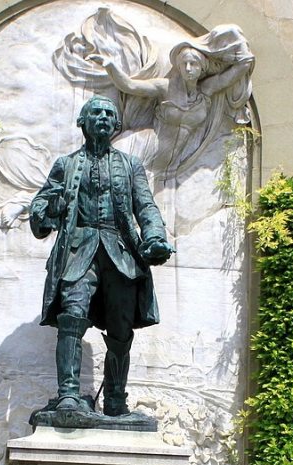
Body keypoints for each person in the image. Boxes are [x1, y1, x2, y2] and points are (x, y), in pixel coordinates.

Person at [30, 95, 175, 417]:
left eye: (110, 114)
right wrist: (50, 208)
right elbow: (40, 209)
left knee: (122, 327)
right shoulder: (65, 165)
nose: (104, 117)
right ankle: (68, 394)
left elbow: (145, 206)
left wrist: (154, 237)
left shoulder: (130, 165)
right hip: (78, 250)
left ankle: (114, 399)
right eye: (96, 112)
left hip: (120, 252)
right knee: (72, 314)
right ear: (82, 121)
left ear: (116, 125)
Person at [86, 25, 254, 181]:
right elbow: (129, 85)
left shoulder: (206, 90)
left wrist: (235, 39)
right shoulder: (165, 87)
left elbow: (241, 67)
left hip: (168, 164)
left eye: (193, 64)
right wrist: (110, 66)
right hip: (142, 147)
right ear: (179, 67)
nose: (188, 68)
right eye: (184, 64)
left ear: (202, 68)